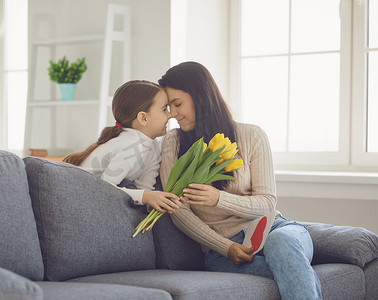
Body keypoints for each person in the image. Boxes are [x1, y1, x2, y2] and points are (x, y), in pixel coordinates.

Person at [158, 62, 322, 299]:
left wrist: (218, 199)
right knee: (292, 271)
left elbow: (267, 203)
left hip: (273, 229)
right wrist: (226, 247)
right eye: (168, 107)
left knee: (282, 247)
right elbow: (179, 213)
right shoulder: (172, 144)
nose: (172, 114)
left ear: (201, 97)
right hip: (223, 251)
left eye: (177, 104)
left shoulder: (251, 136)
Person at [63, 80, 182, 214]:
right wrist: (146, 197)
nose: (170, 115)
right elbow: (105, 190)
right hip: (78, 199)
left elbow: (144, 188)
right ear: (143, 118)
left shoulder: (153, 147)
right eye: (164, 109)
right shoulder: (130, 145)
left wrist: (153, 202)